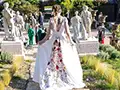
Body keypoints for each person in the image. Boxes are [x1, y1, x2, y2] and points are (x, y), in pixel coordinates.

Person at [33, 4, 85, 90]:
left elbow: (48, 35)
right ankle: (63, 79)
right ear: (60, 11)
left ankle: (52, 80)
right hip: (62, 42)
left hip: (54, 43)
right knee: (64, 61)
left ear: (53, 11)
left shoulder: (51, 20)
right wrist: (72, 42)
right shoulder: (64, 20)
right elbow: (68, 33)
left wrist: (41, 42)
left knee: (53, 61)